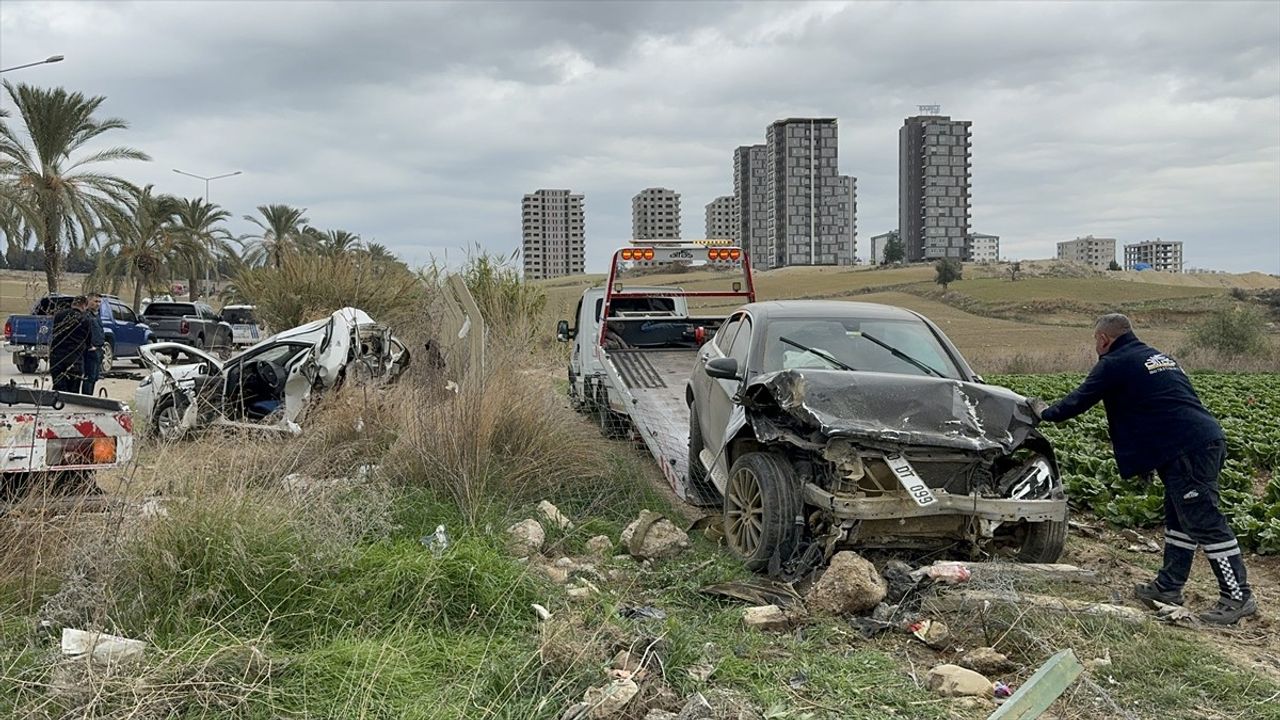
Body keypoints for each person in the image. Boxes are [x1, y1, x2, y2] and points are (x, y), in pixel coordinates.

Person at [1029, 313, 1255, 625]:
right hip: (1199, 441)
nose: (1096, 347)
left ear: (1104, 340)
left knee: (1205, 521)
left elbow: (1078, 402)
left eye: (1096, 342)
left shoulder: (1115, 362)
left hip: (1186, 448)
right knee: (1180, 519)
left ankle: (1237, 595)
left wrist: (1044, 411)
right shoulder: (1158, 357)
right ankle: (1168, 587)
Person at [49, 296, 91, 393]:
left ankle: (58, 404)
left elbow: (54, 333)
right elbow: (88, 339)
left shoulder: (59, 316)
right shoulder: (85, 319)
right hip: (74, 358)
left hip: (57, 357)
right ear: (84, 305)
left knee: (58, 387)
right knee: (73, 389)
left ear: (73, 304)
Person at [81, 294, 106, 395]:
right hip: (90, 351)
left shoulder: (97, 316)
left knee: (95, 377)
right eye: (95, 301)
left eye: (99, 302)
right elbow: (84, 333)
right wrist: (90, 346)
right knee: (89, 377)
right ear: (89, 301)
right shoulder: (86, 316)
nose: (98, 304)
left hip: (99, 349)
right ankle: (86, 398)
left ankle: (90, 396)